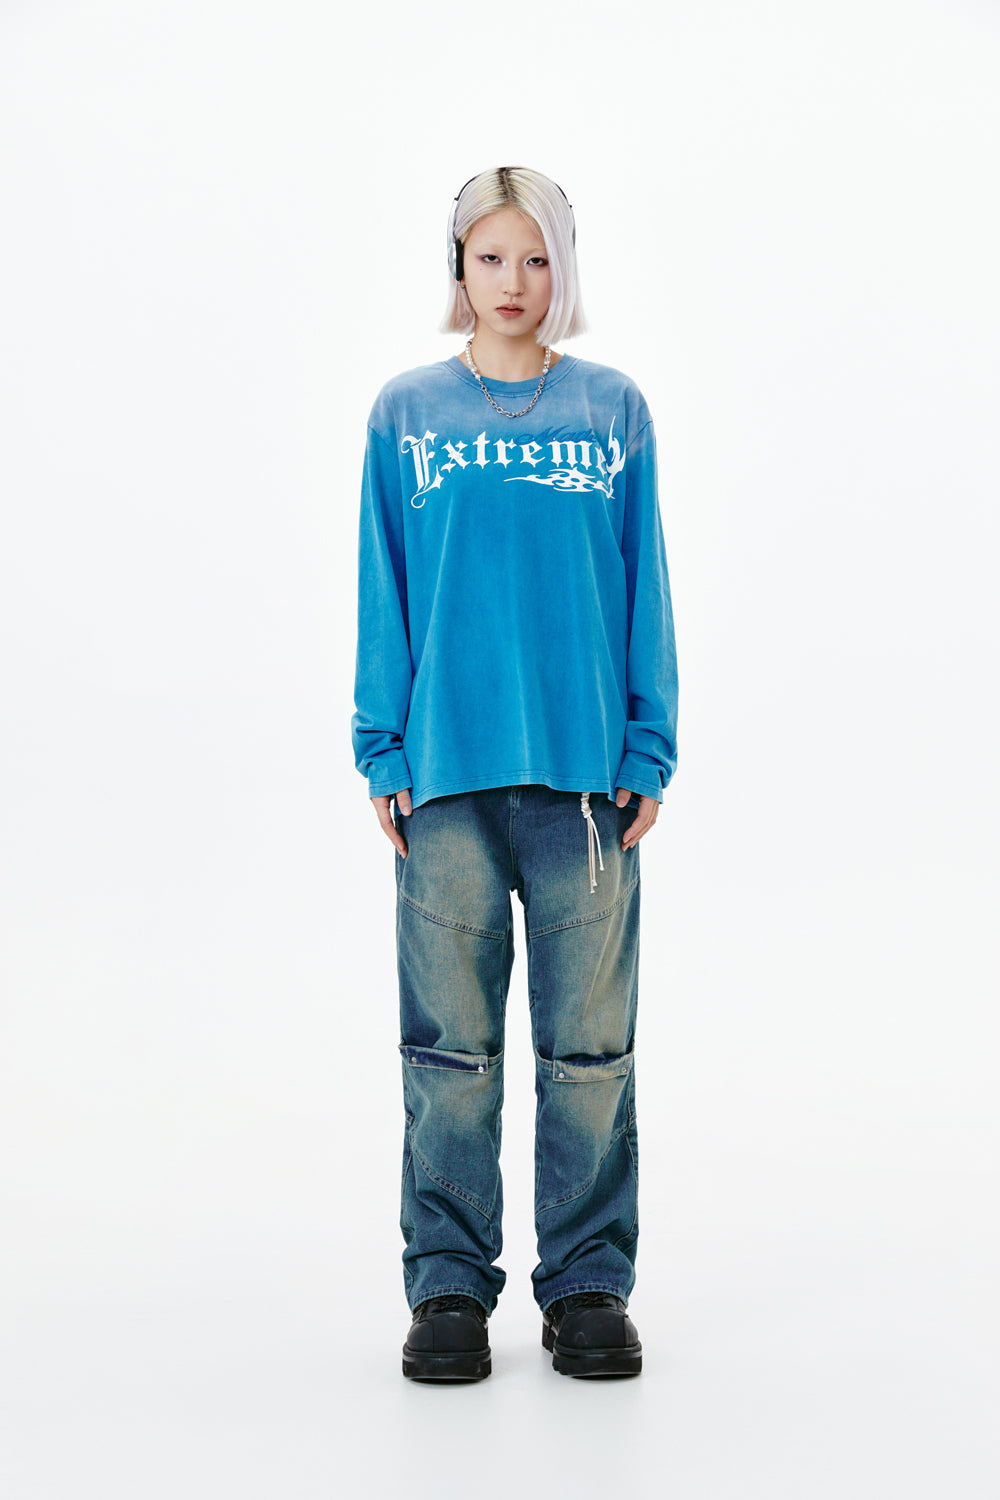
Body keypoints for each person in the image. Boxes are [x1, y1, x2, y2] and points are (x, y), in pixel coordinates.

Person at [351, 166, 679, 1382]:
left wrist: (649, 744)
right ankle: (447, 1287)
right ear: (458, 267)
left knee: (589, 1056)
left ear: (563, 270)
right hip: (443, 779)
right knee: (449, 1054)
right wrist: (380, 745)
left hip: (586, 783)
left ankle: (587, 1284)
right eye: (491, 257)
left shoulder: (613, 410)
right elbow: (383, 584)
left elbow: (645, 582)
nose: (514, 282)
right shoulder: (406, 415)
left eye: (536, 259)